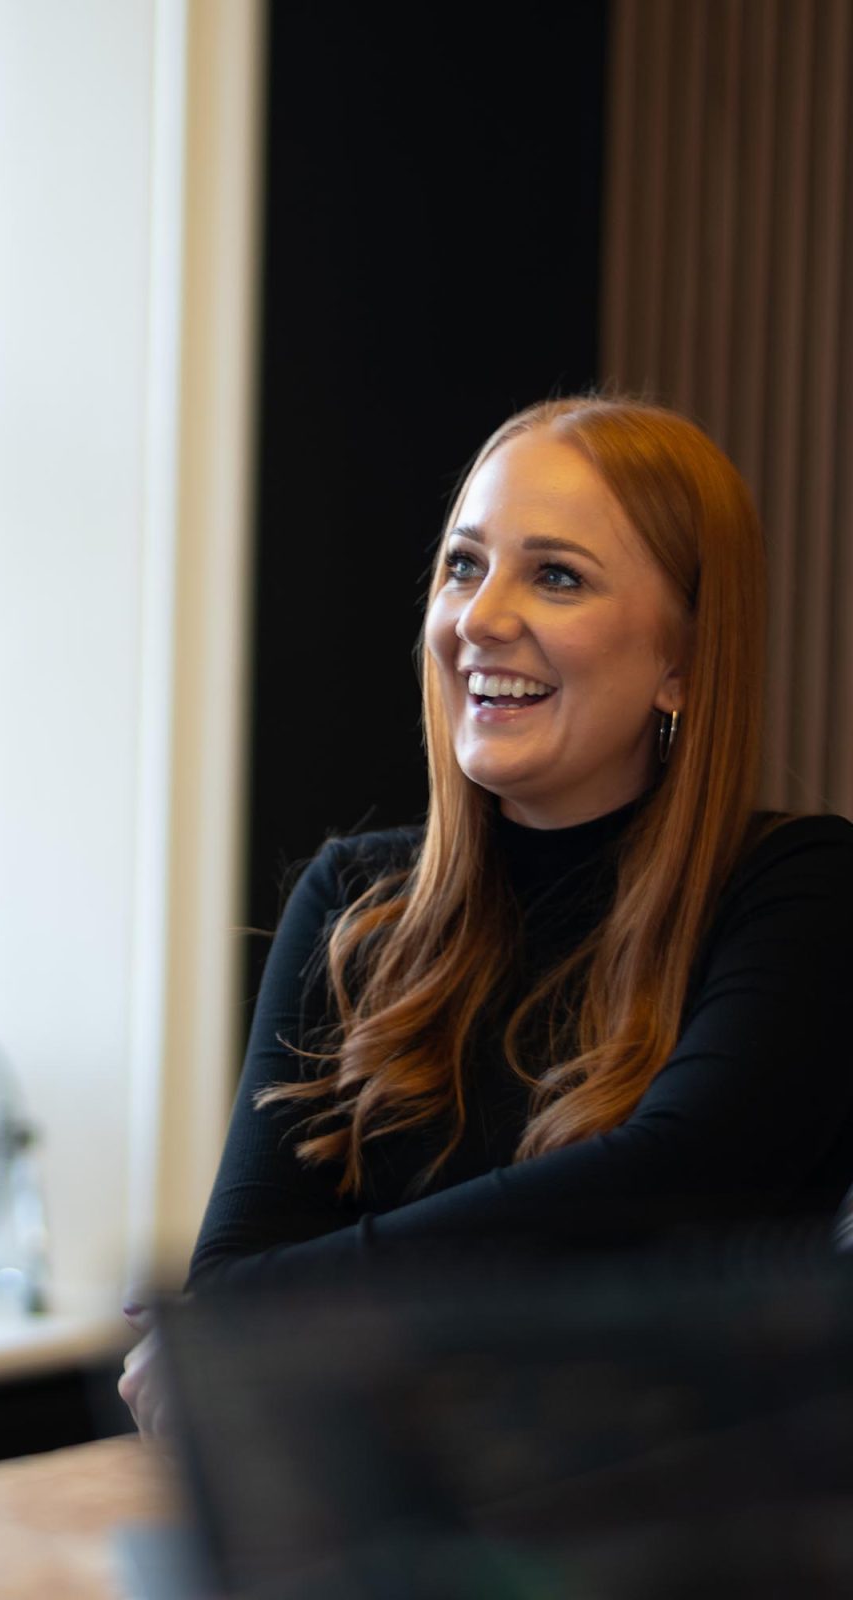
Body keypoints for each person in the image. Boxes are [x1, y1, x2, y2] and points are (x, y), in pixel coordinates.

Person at [121, 394, 853, 1433]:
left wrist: (267, 1308)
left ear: (683, 663)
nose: (478, 617)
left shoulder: (799, 888)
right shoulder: (355, 906)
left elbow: (674, 1176)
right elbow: (237, 1260)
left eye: (555, 575)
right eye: (465, 564)